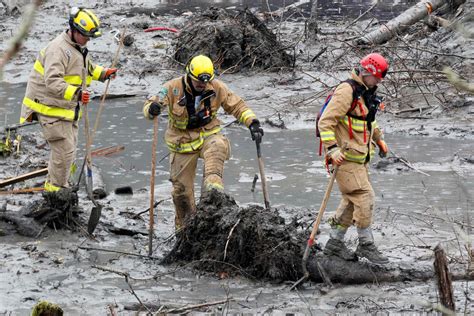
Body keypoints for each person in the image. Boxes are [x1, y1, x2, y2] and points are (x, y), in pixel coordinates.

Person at [143, 54, 264, 230]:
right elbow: (152, 104)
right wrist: (151, 109)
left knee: (218, 146)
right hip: (182, 143)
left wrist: (252, 123)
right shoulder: (172, 88)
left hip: (208, 135)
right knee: (181, 194)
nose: (202, 85)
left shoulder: (216, 87)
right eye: (198, 82)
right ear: (189, 76)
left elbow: (237, 106)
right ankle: (186, 232)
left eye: (205, 82)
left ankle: (213, 196)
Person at [19, 7, 117, 196]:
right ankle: (56, 195)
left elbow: (85, 68)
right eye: (86, 36)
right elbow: (52, 81)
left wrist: (103, 73)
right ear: (74, 30)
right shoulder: (58, 50)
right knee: (63, 153)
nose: (88, 40)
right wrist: (78, 94)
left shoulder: (76, 47)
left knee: (68, 153)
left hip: (65, 110)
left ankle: (60, 185)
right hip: (50, 110)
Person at [318, 53, 390, 264]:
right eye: (377, 77)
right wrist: (332, 149)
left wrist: (380, 139)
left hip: (359, 159)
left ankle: (333, 245)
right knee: (364, 196)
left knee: (351, 201)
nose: (379, 82)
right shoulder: (346, 91)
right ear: (367, 72)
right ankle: (366, 244)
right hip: (344, 159)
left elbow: (368, 121)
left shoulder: (364, 93)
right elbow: (326, 122)